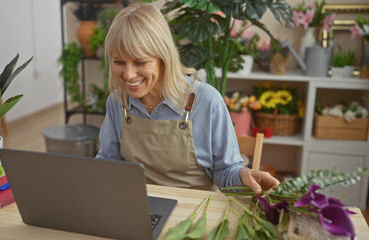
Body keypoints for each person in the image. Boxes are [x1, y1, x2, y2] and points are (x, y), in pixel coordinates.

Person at [95, 2, 279, 194]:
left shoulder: (207, 101)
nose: (128, 75)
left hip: (194, 212)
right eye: (118, 62)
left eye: (140, 62)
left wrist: (243, 175)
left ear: (163, 57)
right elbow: (109, 163)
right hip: (138, 207)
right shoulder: (118, 101)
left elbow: (225, 172)